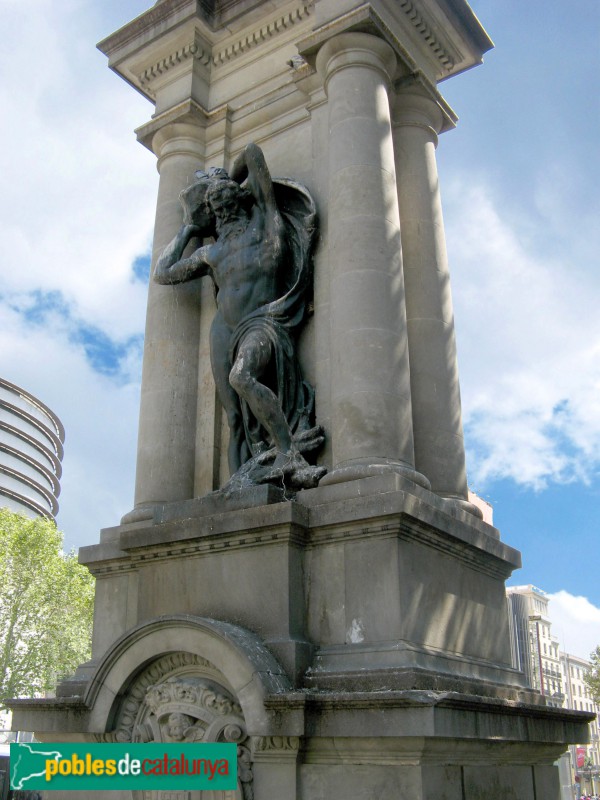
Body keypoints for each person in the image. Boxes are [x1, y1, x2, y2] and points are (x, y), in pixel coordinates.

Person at [154, 143, 325, 491]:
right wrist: (187, 228)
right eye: (216, 209)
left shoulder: (266, 221)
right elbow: (164, 272)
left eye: (227, 203)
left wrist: (222, 181)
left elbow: (252, 153)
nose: (223, 212)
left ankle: (288, 454)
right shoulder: (212, 251)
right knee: (233, 417)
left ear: (241, 200)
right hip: (224, 330)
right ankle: (239, 484)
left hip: (263, 322)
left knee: (241, 376)